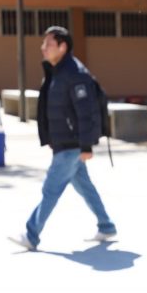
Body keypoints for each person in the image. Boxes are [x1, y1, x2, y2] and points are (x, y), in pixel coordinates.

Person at [8, 26, 116, 250]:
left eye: (48, 44)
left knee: (50, 190)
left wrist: (86, 146)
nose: (43, 48)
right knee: (85, 187)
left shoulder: (74, 73)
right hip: (65, 143)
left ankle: (31, 235)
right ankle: (106, 226)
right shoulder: (58, 71)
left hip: (72, 144)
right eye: (44, 43)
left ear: (62, 46)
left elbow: (85, 112)